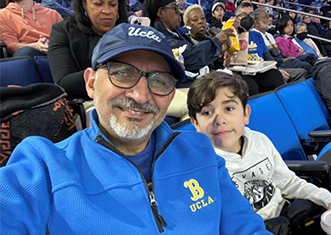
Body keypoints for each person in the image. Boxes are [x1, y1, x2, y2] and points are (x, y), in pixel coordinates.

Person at [0, 22, 272, 235]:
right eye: (122, 73)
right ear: (91, 83)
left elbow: (246, 228)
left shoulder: (200, 151)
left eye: (159, 80)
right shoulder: (43, 165)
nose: (141, 95)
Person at [187, 70, 331, 235]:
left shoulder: (259, 140)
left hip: (289, 217)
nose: (220, 120)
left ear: (246, 114)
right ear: (195, 123)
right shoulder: (197, 168)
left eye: (229, 109)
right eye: (207, 112)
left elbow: (289, 182)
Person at [48, 0, 128, 101]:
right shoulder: (63, 31)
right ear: (83, 4)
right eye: (98, 4)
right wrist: (114, 71)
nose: (107, 11)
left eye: (113, 5)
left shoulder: (128, 33)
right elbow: (64, 85)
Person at [143, 0, 233, 81]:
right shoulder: (157, 37)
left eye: (203, 18)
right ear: (161, 13)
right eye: (175, 7)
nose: (179, 11)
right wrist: (216, 41)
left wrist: (217, 58)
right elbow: (190, 57)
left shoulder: (176, 33)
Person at [234, 2, 285, 95]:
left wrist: (277, 70)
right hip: (241, 72)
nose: (247, 18)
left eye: (250, 15)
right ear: (236, 17)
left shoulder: (257, 35)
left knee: (276, 76)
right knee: (251, 87)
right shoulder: (231, 35)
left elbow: (268, 57)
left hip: (259, 69)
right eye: (244, 15)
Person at [252, 7, 311, 79]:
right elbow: (266, 58)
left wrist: (286, 58)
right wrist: (283, 60)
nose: (270, 19)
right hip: (274, 65)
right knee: (304, 67)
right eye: (265, 17)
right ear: (257, 22)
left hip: (281, 62)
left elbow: (278, 54)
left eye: (269, 16)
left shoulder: (269, 35)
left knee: (308, 60)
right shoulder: (254, 36)